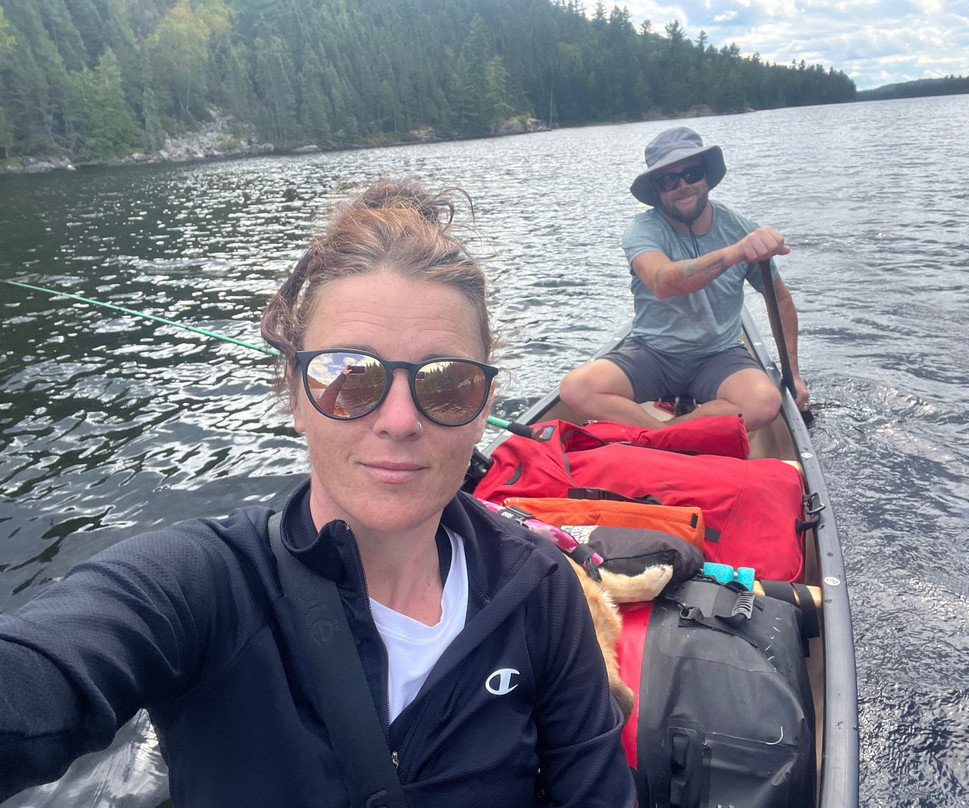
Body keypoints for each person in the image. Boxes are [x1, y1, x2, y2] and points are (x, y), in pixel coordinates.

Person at [0, 180, 636, 807]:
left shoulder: (543, 591)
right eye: (348, 377)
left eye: (446, 384)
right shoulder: (202, 585)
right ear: (295, 395)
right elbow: (42, 669)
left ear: (483, 406)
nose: (398, 419)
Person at [560, 126, 810, 432]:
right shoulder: (643, 230)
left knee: (764, 403)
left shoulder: (739, 228)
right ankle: (666, 436)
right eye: (668, 179)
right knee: (575, 389)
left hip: (719, 355)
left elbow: (780, 299)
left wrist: (794, 376)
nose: (682, 185)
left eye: (691, 173)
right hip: (652, 352)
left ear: (705, 176)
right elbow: (663, 282)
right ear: (656, 189)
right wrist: (737, 252)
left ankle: (666, 434)